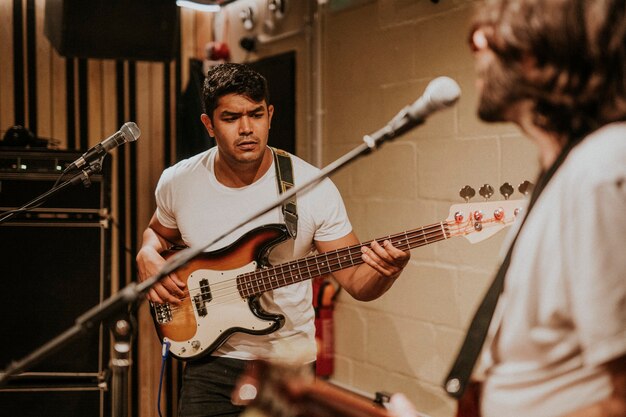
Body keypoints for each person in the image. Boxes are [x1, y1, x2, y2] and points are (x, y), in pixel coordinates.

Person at [390, 1, 626, 416]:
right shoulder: (566, 174)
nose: (474, 52)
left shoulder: (601, 169)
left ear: (533, 54)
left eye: (480, 37)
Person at [136, 63, 410, 417]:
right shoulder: (179, 181)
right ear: (208, 124)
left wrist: (386, 271)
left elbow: (358, 283)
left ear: (270, 115)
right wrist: (146, 253)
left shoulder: (312, 186)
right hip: (209, 363)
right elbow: (157, 232)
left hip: (286, 364)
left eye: (256, 114)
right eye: (231, 117)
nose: (247, 128)